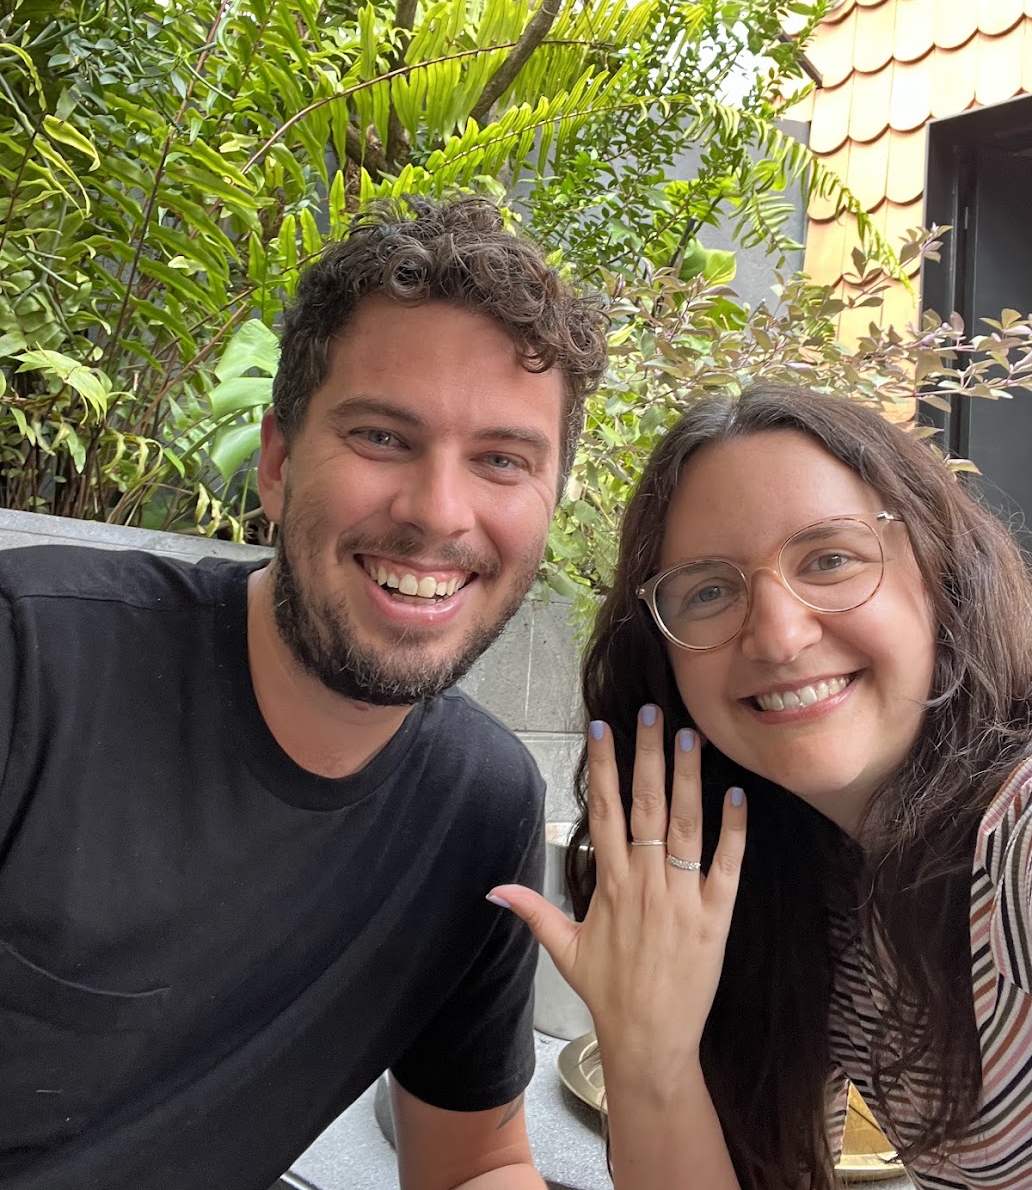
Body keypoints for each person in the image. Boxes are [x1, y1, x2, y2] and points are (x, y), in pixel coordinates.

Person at [0, 196, 608, 1190]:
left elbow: (472, 1161)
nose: (437, 512)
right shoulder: (30, 666)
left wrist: (660, 1057)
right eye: (382, 436)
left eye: (502, 459)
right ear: (279, 461)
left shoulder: (476, 805)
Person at [491, 383, 1032, 1190]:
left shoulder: (1017, 837)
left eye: (830, 558)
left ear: (942, 571)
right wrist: (648, 1051)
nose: (778, 636)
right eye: (709, 590)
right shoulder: (816, 897)